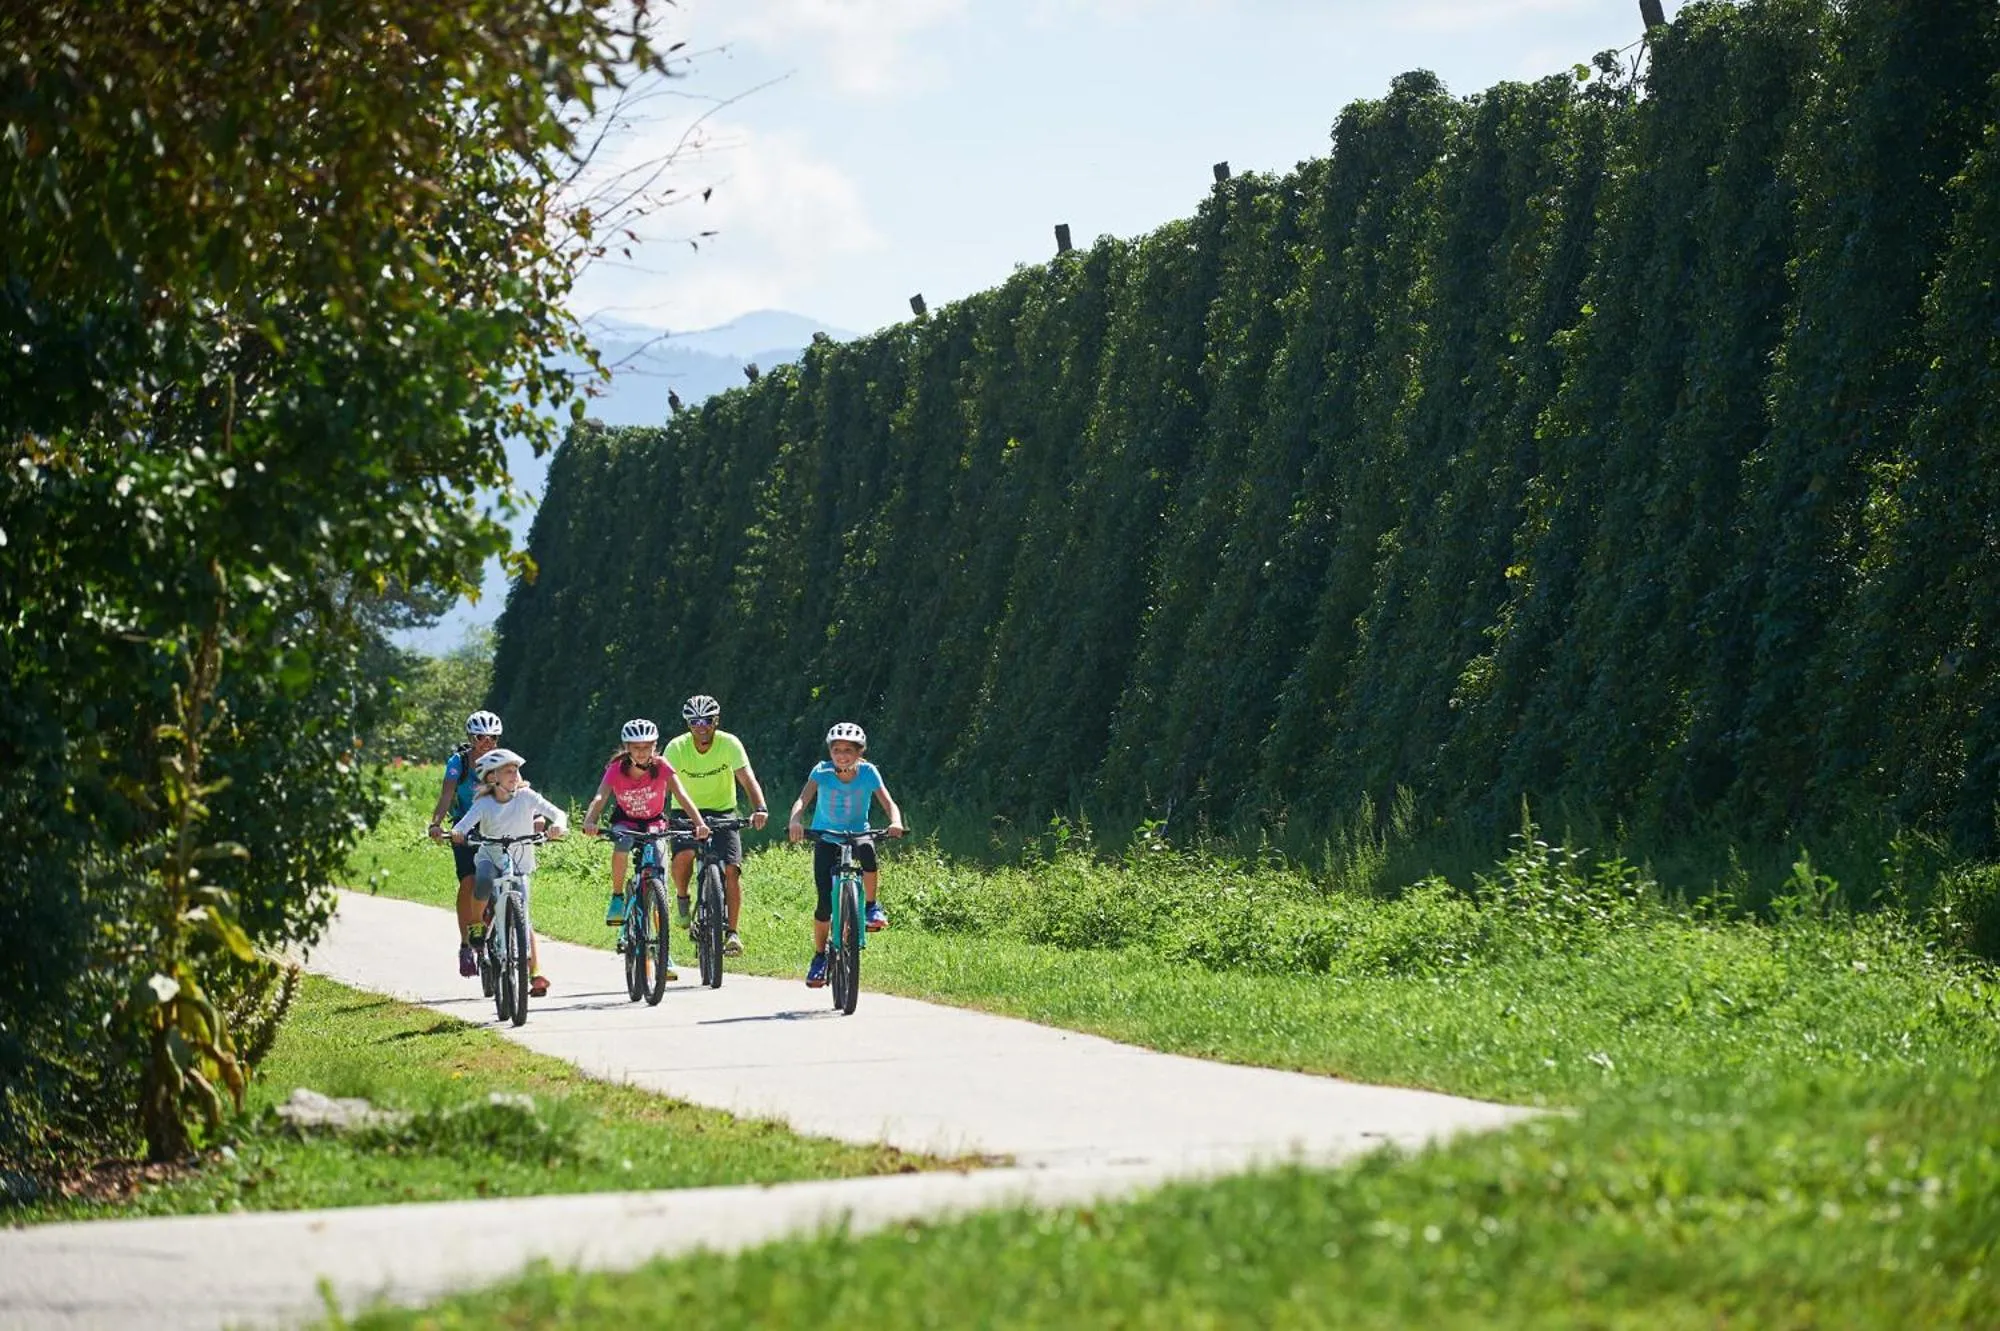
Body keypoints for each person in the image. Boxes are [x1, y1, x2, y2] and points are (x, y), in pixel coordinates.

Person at [581, 718, 710, 979]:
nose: (641, 752)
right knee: (622, 844)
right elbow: (600, 796)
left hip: (654, 822)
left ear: (654, 746)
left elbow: (682, 796)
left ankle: (664, 953)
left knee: (658, 879)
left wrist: (700, 824)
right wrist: (590, 820)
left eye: (647, 746)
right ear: (627, 748)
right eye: (636, 747)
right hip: (626, 821)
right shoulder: (617, 768)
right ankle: (618, 897)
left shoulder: (662, 767)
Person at [786, 721, 905, 988]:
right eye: (837, 749)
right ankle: (819, 957)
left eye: (848, 750)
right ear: (830, 751)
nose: (842, 755)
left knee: (867, 852)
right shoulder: (822, 771)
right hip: (825, 836)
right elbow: (803, 799)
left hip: (857, 833)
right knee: (824, 903)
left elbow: (888, 802)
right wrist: (796, 821)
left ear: (860, 752)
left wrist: (895, 821)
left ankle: (871, 906)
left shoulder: (869, 772)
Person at [449, 746, 567, 997]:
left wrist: (557, 825)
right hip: (490, 857)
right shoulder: (484, 804)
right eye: (508, 771)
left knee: (523, 911)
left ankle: (534, 969)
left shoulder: (527, 797)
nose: (515, 775)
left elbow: (557, 813)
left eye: (516, 771)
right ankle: (477, 925)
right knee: (482, 881)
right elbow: (464, 824)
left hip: (519, 861)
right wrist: (459, 833)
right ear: (492, 777)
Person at [663, 694, 769, 958]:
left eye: (707, 720)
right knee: (684, 855)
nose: (701, 726)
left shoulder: (729, 744)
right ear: (688, 724)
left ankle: (732, 933)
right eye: (695, 721)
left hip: (723, 811)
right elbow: (664, 783)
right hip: (685, 812)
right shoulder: (676, 747)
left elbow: (747, 778)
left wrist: (760, 808)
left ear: (716, 721)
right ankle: (683, 896)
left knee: (732, 870)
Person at [428, 709, 504, 978]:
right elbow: (447, 794)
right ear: (472, 738)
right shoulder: (458, 762)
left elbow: (519, 791)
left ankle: (506, 927)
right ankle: (465, 944)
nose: (487, 743)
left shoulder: (502, 762)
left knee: (504, 881)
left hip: (495, 829)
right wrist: (437, 824)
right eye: (481, 737)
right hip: (464, 830)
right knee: (469, 882)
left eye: (492, 738)